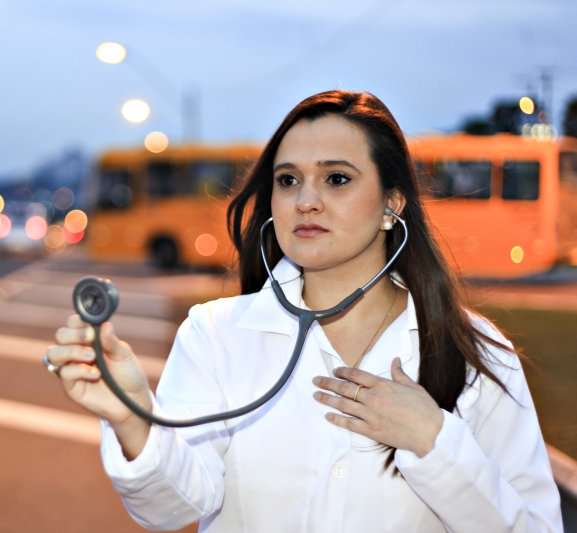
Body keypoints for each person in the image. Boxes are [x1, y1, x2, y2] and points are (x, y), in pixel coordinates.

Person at [45, 91, 563, 532]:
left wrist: (436, 442)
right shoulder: (216, 334)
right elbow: (171, 506)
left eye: (337, 179)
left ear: (393, 204)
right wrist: (132, 414)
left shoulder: (474, 353)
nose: (305, 201)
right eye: (288, 180)